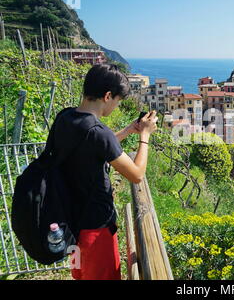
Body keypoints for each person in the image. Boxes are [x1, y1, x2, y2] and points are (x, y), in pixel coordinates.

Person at [52, 64, 158, 280]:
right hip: (96, 231)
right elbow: (136, 175)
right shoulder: (99, 133)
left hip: (71, 227)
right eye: (118, 101)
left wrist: (128, 130)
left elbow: (94, 147)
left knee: (81, 276)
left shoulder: (65, 118)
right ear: (108, 95)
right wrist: (144, 136)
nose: (116, 106)